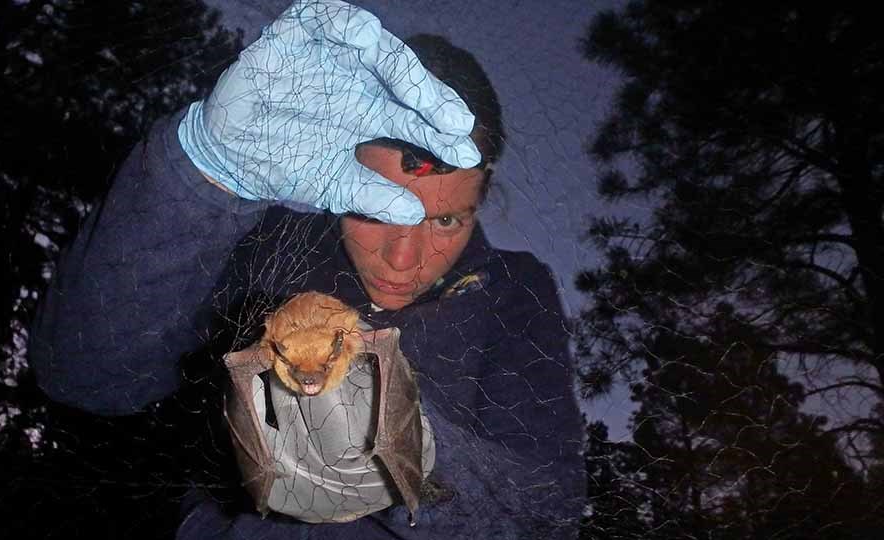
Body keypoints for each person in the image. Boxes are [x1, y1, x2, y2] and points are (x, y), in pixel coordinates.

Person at [28, 1, 584, 538]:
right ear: (341, 173)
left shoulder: (514, 290)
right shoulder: (275, 243)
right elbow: (85, 378)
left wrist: (396, 438)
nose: (404, 260)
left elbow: (549, 515)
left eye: (445, 222)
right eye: (375, 210)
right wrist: (199, 182)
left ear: (483, 201)